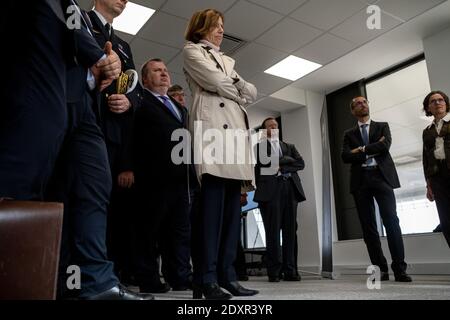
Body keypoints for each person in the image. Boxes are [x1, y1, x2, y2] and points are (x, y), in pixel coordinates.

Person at [1, 0, 152, 300]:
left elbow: (123, 80)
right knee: (42, 193)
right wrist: (97, 57)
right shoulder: (75, 13)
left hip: (87, 111)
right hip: (51, 101)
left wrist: (109, 70)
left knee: (95, 186)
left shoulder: (83, 18)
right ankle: (44, 281)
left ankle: (98, 282)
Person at [183, 8, 258, 299]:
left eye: (223, 26)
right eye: (216, 26)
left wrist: (236, 86)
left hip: (234, 137)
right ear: (201, 27)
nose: (221, 31)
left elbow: (251, 93)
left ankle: (228, 276)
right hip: (213, 130)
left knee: (230, 214)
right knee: (210, 216)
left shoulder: (228, 61)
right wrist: (235, 87)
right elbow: (215, 82)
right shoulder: (192, 51)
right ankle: (206, 278)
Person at [87, 0, 140, 283]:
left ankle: (114, 274)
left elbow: (136, 91)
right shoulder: (79, 21)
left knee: (118, 212)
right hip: (85, 128)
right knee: (88, 202)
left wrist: (128, 101)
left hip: (117, 139)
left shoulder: (124, 46)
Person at [133, 59, 193, 293]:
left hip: (181, 179)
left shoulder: (181, 109)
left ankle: (179, 277)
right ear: (145, 79)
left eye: (166, 70)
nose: (164, 73)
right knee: (149, 232)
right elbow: (130, 135)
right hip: (151, 177)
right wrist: (126, 167)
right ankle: (148, 279)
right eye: (157, 71)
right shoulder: (139, 101)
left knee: (178, 232)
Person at [341, 96, 412, 282]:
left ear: (368, 106)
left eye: (364, 102)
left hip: (382, 178)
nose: (361, 104)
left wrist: (360, 150)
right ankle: (380, 270)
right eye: (357, 103)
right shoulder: (348, 133)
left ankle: (400, 269)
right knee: (368, 227)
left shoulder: (383, 126)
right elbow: (345, 157)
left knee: (392, 222)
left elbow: (385, 145)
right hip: (360, 181)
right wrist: (372, 148)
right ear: (352, 110)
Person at [254, 117, 306, 282]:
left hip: (290, 189)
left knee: (291, 231)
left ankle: (290, 270)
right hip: (271, 191)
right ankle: (274, 272)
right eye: (270, 126)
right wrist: (289, 160)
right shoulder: (259, 146)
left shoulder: (289, 146)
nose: (274, 127)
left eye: (276, 125)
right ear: (264, 130)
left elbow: (301, 163)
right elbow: (266, 162)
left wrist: (281, 165)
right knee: (273, 232)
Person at [422, 91, 450, 247]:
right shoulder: (426, 131)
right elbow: (425, 159)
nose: (438, 103)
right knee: (446, 222)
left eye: (441, 100)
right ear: (429, 108)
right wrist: (428, 184)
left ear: (446, 104)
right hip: (437, 178)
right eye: (433, 101)